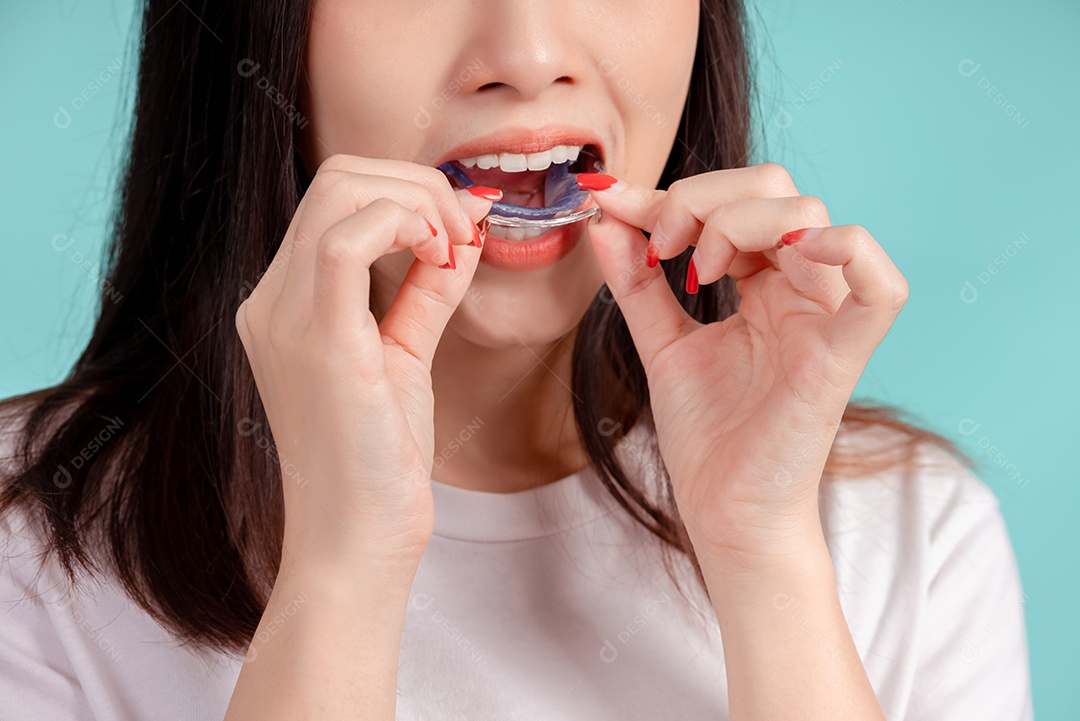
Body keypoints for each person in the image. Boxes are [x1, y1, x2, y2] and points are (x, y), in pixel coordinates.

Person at [0, 0, 1033, 719]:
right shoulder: (29, 552)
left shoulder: (913, 530)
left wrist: (766, 556)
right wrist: (343, 570)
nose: (529, 53)